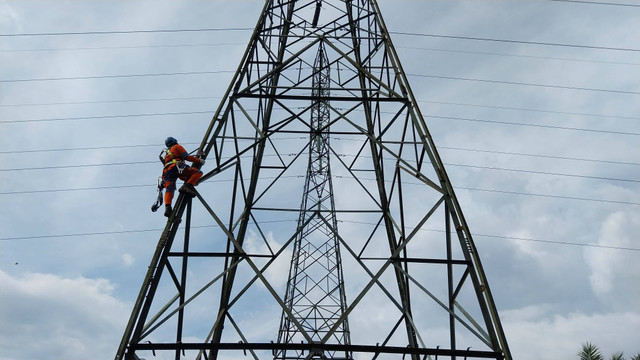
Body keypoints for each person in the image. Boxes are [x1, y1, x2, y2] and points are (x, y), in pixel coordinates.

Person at [160, 136, 205, 217]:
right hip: (176, 166)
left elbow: (180, 176)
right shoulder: (177, 147)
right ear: (175, 141)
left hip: (167, 171)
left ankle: (168, 207)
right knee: (198, 172)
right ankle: (188, 186)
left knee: (170, 188)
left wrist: (163, 180)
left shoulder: (167, 154)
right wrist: (198, 160)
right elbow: (186, 157)